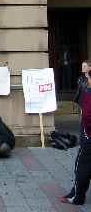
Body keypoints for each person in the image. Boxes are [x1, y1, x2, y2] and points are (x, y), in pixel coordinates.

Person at [60, 67, 91, 205]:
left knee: (81, 166)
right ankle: (76, 191)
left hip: (89, 135)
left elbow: (87, 116)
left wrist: (87, 132)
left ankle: (78, 197)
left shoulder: (89, 93)